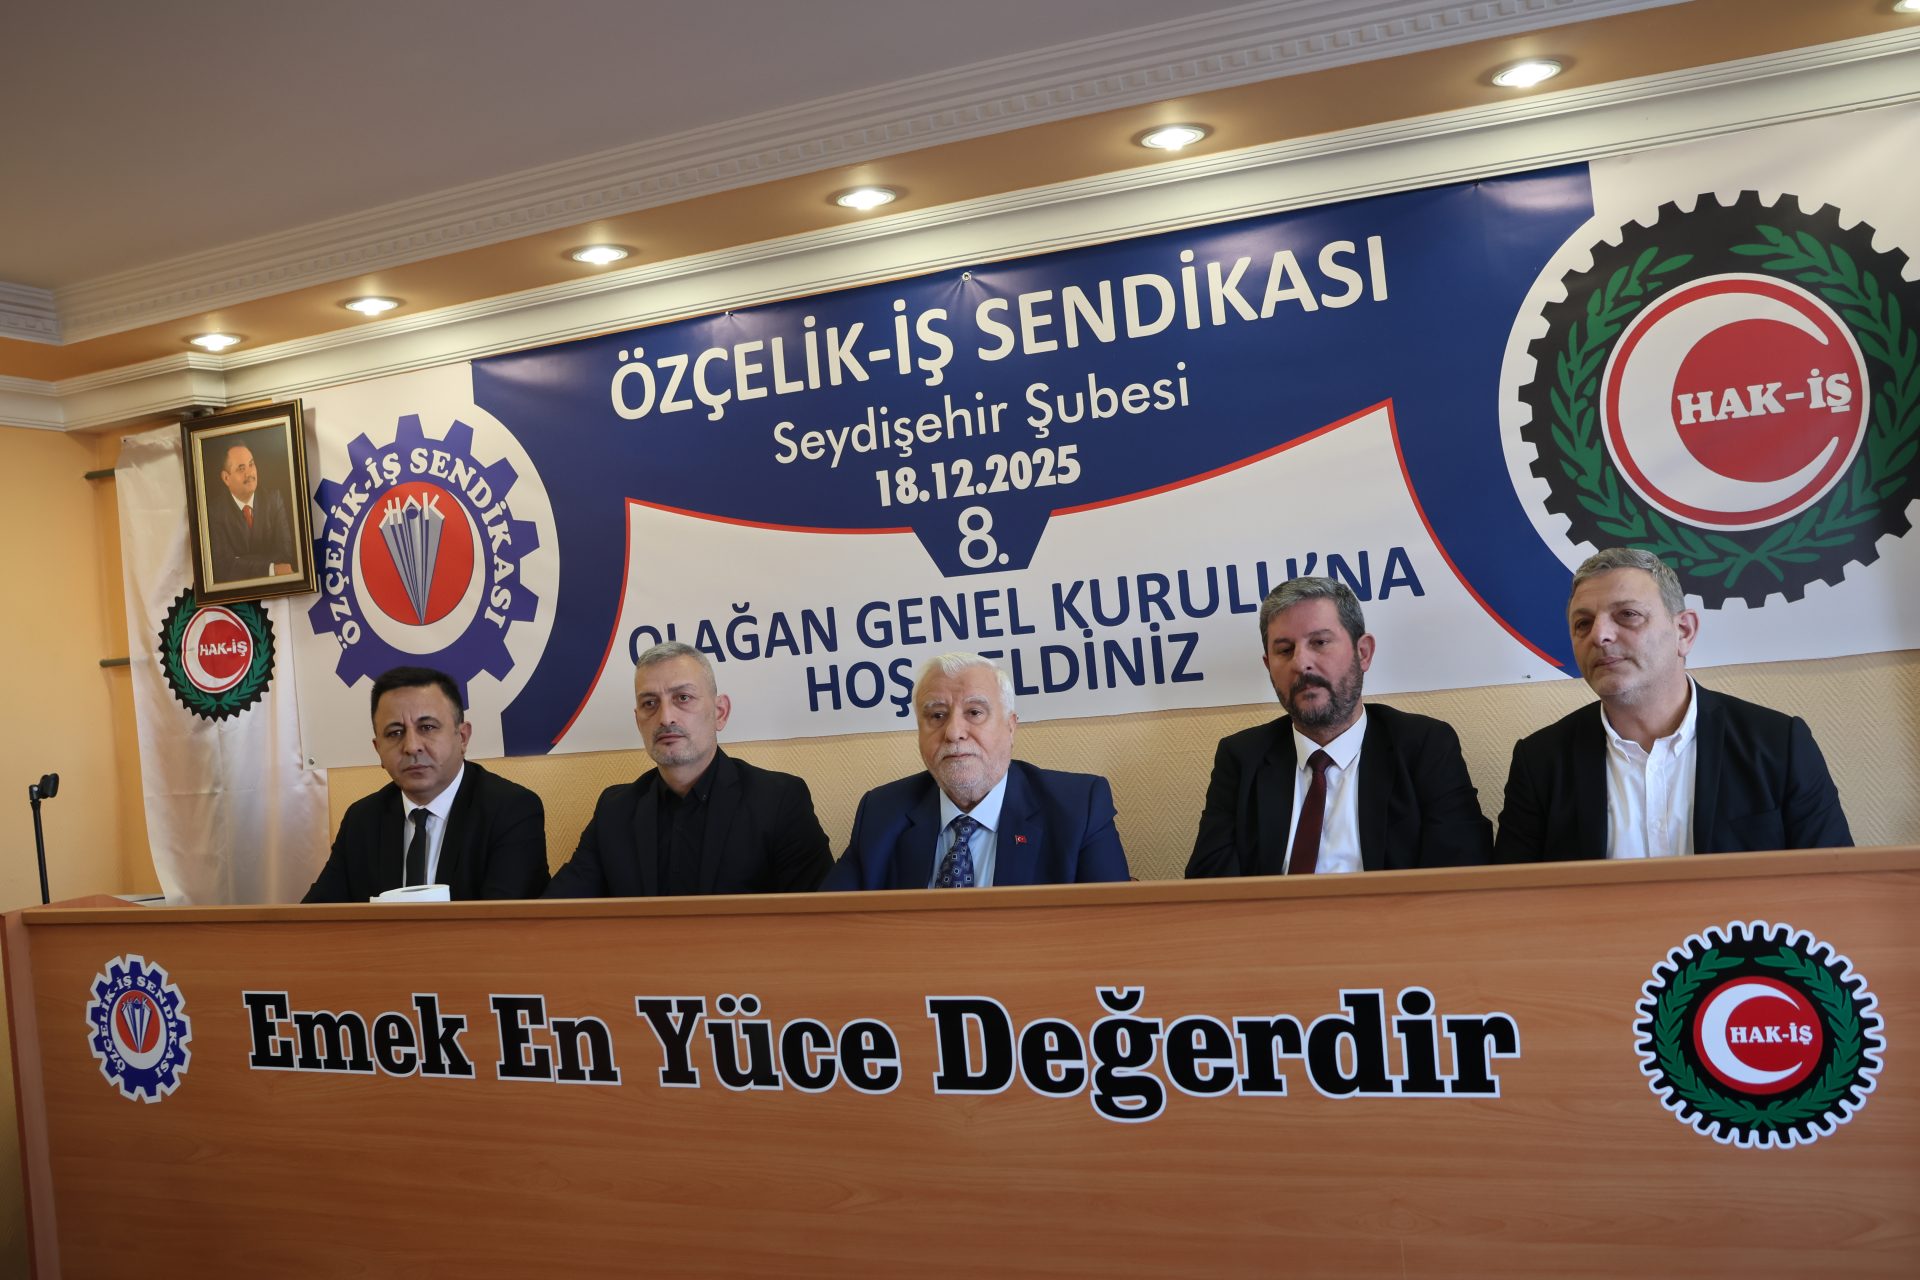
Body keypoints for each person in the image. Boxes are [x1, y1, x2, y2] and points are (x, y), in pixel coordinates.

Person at [1495, 548, 1852, 861]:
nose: (1599, 635)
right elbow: (1510, 901)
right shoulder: (1539, 762)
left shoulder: (1779, 744)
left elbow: (1834, 887)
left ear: (1684, 631)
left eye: (1627, 614)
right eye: (1583, 623)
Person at [1187, 577, 1492, 878]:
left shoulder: (1425, 746)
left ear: (1363, 653)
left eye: (1319, 643)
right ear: (1269, 666)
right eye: (1285, 650)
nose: (1301, 663)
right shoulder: (1242, 758)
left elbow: (1462, 879)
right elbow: (1209, 888)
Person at [822, 652, 1129, 890]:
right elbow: (829, 928)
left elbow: (1112, 930)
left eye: (974, 712)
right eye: (937, 715)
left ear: (1010, 727)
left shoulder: (1078, 808)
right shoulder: (880, 813)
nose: (953, 732)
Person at [545, 642, 830, 897]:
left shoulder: (779, 801)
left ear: (720, 713)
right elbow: (556, 913)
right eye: (649, 703)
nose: (665, 717)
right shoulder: (614, 810)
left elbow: (818, 920)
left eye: (683, 698)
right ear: (638, 721)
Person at [303, 666, 549, 902]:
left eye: (427, 727)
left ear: (462, 737)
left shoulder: (511, 810)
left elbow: (505, 921)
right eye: (395, 732)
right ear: (378, 750)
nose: (411, 746)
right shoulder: (362, 820)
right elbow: (317, 917)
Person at [205, 441, 297, 582]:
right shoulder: (214, 512)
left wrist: (240, 562)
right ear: (226, 478)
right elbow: (224, 567)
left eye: (251, 464)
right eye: (241, 469)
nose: (249, 473)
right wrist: (271, 569)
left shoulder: (273, 500)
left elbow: (286, 554)